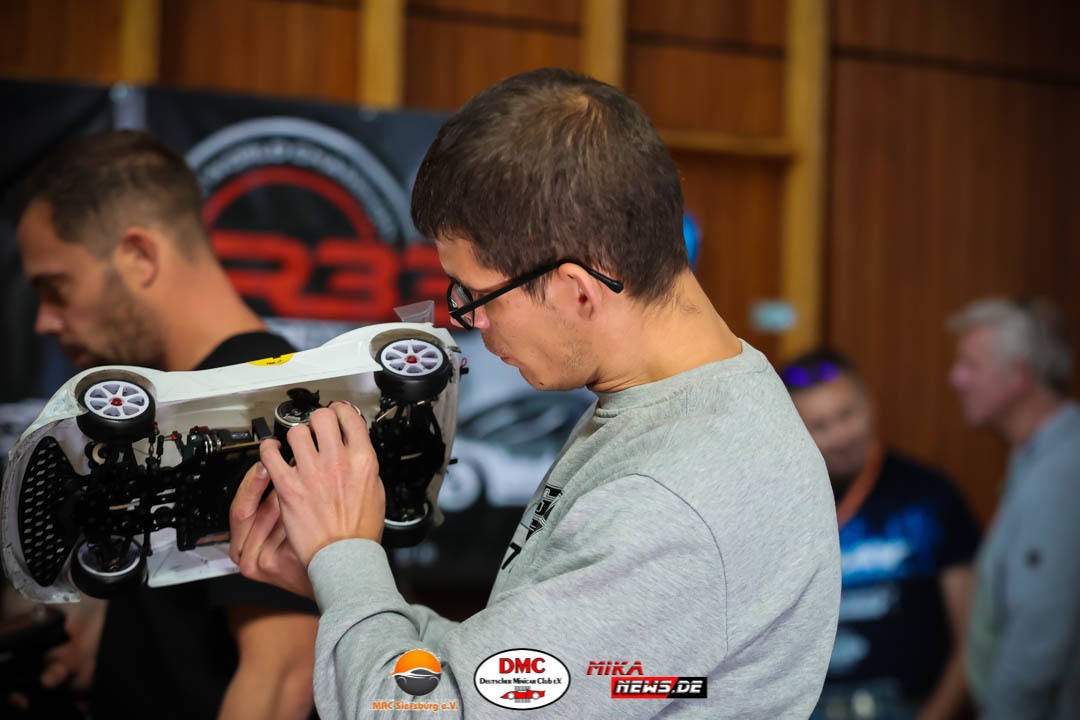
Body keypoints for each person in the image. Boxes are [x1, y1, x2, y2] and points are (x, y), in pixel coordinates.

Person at [229, 67, 841, 719]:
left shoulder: (672, 500)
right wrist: (343, 584)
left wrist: (346, 556)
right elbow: (513, 683)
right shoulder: (683, 403)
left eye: (478, 295)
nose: (469, 321)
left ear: (578, 290)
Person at [11, 129, 319, 720]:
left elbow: (286, 674)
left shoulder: (251, 409)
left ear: (139, 257)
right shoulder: (187, 413)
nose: (45, 322)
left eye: (57, 289)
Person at [780, 349, 980, 720]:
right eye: (819, 426)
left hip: (907, 707)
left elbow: (974, 635)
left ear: (869, 404)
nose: (839, 436)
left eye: (847, 415)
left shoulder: (928, 496)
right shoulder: (775, 510)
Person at [948, 296, 1080, 720]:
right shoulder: (1035, 457)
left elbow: (1040, 634)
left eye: (971, 365)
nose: (956, 378)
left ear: (1019, 375)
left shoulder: (1060, 473)